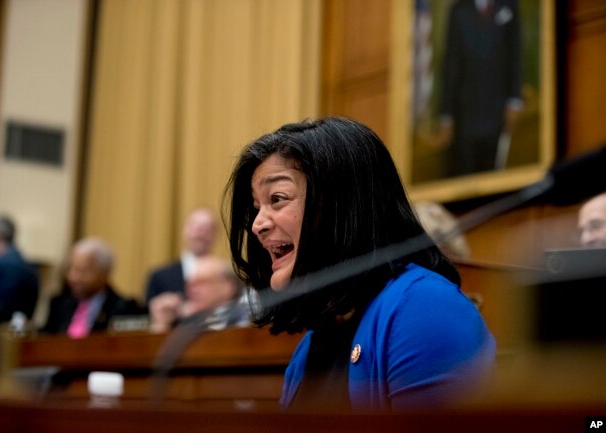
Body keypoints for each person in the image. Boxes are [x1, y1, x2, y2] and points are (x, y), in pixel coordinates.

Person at [224, 117, 495, 412]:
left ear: (342, 205)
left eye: (277, 199)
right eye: (256, 208)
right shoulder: (311, 345)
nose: (258, 225)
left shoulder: (425, 306)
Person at [439, 0, 522, 176]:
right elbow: (451, 64)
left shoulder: (508, 5)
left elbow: (515, 56)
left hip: (497, 109)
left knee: (495, 169)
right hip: (466, 113)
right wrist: (446, 115)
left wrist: (514, 100)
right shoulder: (459, 11)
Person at [42, 237, 140, 338]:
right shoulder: (59, 304)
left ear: (104, 272)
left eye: (82, 271)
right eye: (71, 269)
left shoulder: (125, 308)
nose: (73, 277)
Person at [149, 255, 247, 333]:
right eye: (190, 284)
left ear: (227, 287)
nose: (192, 290)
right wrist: (161, 323)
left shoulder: (248, 320)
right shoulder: (187, 323)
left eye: (201, 283)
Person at [144, 207, 218, 304]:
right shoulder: (159, 277)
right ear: (184, 230)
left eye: (207, 229)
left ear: (216, 235)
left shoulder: (228, 278)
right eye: (197, 227)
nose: (201, 233)